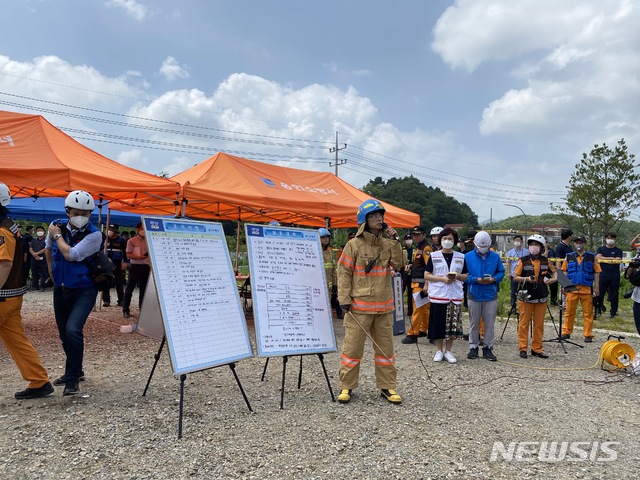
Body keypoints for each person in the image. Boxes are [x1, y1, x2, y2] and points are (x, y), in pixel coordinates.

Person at [336, 199, 404, 404]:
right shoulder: (353, 245)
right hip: (359, 309)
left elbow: (399, 265)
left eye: (380, 215)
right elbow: (344, 273)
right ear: (364, 220)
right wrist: (344, 300)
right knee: (352, 349)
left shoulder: (388, 244)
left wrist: (396, 241)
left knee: (385, 351)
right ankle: (346, 386)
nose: (379, 219)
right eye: (373, 216)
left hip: (384, 308)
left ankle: (387, 387)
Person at [0, 183, 55, 399]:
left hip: (3, 297)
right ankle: (39, 380)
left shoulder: (2, 230)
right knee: (16, 340)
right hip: (12, 296)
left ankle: (39, 381)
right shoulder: (12, 226)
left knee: (17, 339)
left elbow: (4, 264)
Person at [45, 190, 102, 396]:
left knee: (73, 330)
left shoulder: (95, 235)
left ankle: (71, 380)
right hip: (60, 289)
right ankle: (76, 371)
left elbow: (71, 254)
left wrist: (57, 234)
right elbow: (48, 247)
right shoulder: (56, 225)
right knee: (63, 334)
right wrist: (51, 270)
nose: (81, 216)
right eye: (77, 212)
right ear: (67, 211)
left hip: (84, 290)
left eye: (86, 213)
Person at [424, 227, 467, 364]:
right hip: (438, 294)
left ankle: (448, 350)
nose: (447, 241)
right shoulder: (434, 256)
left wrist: (458, 276)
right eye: (444, 238)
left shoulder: (461, 257)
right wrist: (443, 279)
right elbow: (427, 275)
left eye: (450, 238)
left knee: (451, 325)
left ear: (454, 241)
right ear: (440, 240)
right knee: (438, 324)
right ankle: (439, 350)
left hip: (454, 295)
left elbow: (466, 275)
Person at [513, 234, 556, 359]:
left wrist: (552, 280)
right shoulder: (523, 260)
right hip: (526, 297)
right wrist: (526, 279)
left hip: (541, 296)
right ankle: (522, 348)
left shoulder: (545, 261)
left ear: (541, 247)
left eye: (536, 245)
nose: (533, 247)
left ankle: (537, 349)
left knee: (539, 325)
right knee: (524, 324)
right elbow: (515, 277)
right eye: (531, 245)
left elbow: (555, 274)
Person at [464, 231, 505, 361]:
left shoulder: (495, 257)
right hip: (474, 293)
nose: (482, 249)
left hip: (490, 294)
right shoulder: (467, 257)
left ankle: (488, 348)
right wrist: (476, 279)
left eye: (485, 247)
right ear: (474, 244)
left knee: (489, 324)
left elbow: (501, 271)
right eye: (480, 247)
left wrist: (495, 279)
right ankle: (473, 347)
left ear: (489, 245)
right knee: (474, 323)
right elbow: (463, 275)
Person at [561, 236, 601, 343]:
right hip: (571, 288)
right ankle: (566, 332)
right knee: (569, 312)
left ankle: (588, 334)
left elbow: (596, 272)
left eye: (581, 242)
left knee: (588, 313)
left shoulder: (592, 257)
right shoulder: (568, 257)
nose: (579, 244)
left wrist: (597, 287)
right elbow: (564, 271)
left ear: (584, 244)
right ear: (574, 244)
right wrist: (564, 286)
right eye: (577, 242)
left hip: (586, 288)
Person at [401, 226, 432, 344]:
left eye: (418, 234)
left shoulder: (426, 248)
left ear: (423, 235)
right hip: (417, 281)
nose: (415, 237)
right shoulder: (419, 247)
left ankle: (413, 333)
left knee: (418, 308)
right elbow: (420, 264)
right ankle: (423, 328)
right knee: (423, 308)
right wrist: (411, 265)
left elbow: (430, 266)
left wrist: (427, 284)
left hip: (421, 283)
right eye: (414, 235)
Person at [122, 222, 150, 319]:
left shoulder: (149, 240)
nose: (143, 230)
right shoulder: (131, 241)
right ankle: (125, 310)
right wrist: (140, 257)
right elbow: (128, 255)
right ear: (138, 229)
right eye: (142, 228)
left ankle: (142, 310)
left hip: (146, 266)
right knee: (130, 289)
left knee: (144, 290)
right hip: (135, 266)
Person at [596, 232, 623, 319]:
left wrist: (604, 258)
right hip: (603, 274)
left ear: (615, 239)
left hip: (614, 275)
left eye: (611, 238)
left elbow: (618, 260)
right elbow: (598, 258)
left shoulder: (618, 250)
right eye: (608, 237)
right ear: (605, 239)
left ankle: (613, 312)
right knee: (600, 293)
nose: (609, 239)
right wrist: (611, 258)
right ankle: (598, 309)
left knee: (614, 294)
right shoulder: (600, 249)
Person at [319, 228, 342, 319]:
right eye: (323, 237)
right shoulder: (315, 251)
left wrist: (335, 285)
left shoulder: (330, 252)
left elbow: (333, 270)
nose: (326, 239)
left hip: (328, 289)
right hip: (318, 286)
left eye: (327, 237)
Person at [103, 224, 127, 308]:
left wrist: (124, 262)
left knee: (118, 282)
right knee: (105, 281)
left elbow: (125, 252)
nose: (109, 231)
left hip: (117, 263)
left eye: (111, 229)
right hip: (106, 263)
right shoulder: (104, 239)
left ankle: (121, 300)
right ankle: (106, 300)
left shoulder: (121, 240)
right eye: (108, 229)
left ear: (116, 231)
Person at [506, 235, 528, 307]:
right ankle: (513, 306)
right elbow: (508, 263)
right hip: (513, 274)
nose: (517, 242)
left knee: (523, 290)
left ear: (522, 241)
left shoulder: (526, 252)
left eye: (518, 240)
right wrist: (508, 272)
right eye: (515, 240)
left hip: (523, 274)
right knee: (513, 291)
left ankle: (524, 305)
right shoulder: (510, 252)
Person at [29, 225, 49, 290]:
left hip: (43, 259)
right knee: (34, 273)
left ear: (44, 231)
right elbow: (30, 248)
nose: (39, 232)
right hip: (34, 259)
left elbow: (46, 248)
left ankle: (43, 286)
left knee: (44, 273)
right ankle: (35, 286)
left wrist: (37, 253)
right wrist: (34, 254)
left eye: (41, 230)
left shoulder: (46, 240)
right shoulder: (34, 240)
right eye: (38, 231)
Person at [402, 233, 414, 317]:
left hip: (412, 273)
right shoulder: (401, 249)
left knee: (411, 293)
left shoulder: (415, 249)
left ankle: (410, 310)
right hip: (403, 273)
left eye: (410, 239)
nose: (408, 240)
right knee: (401, 291)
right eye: (407, 239)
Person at [545, 238, 558, 306]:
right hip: (544, 271)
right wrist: (546, 249)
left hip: (552, 270)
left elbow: (555, 259)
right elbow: (544, 257)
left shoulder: (552, 251)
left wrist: (555, 266)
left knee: (554, 286)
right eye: (546, 243)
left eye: (548, 243)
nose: (547, 244)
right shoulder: (541, 251)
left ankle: (553, 300)